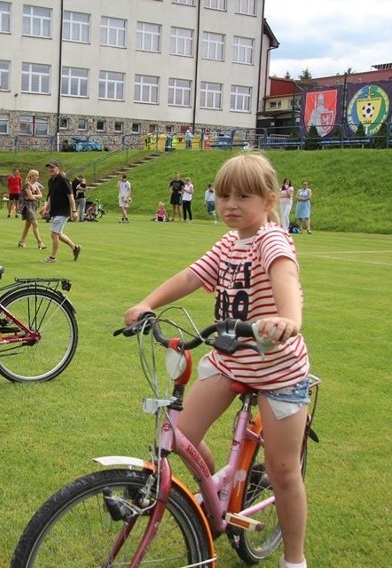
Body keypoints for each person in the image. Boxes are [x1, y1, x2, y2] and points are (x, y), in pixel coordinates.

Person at [124, 153, 311, 568]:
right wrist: (148, 303)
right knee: (180, 435)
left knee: (282, 470)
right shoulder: (229, 242)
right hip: (229, 359)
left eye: (243, 196)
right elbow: (192, 276)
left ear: (267, 201)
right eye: (224, 194)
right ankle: (215, 495)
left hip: (278, 369)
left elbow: (287, 280)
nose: (230, 204)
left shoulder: (271, 239)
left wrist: (287, 320)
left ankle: (294, 559)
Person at [41, 161, 81, 263]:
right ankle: (75, 247)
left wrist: (74, 211)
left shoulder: (63, 179)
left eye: (52, 167)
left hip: (63, 211)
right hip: (55, 210)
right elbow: (51, 197)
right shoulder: (51, 181)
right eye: (49, 167)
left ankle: (52, 257)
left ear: (57, 168)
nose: (50, 169)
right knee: (56, 234)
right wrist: (46, 209)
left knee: (55, 234)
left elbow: (70, 196)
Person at [18, 169, 46, 249]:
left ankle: (21, 241)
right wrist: (35, 196)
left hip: (33, 206)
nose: (37, 177)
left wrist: (35, 196)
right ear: (31, 176)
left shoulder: (36, 185)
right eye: (36, 175)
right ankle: (40, 242)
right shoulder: (27, 185)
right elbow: (30, 197)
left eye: (38, 175)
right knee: (35, 223)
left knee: (27, 225)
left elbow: (40, 196)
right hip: (27, 207)